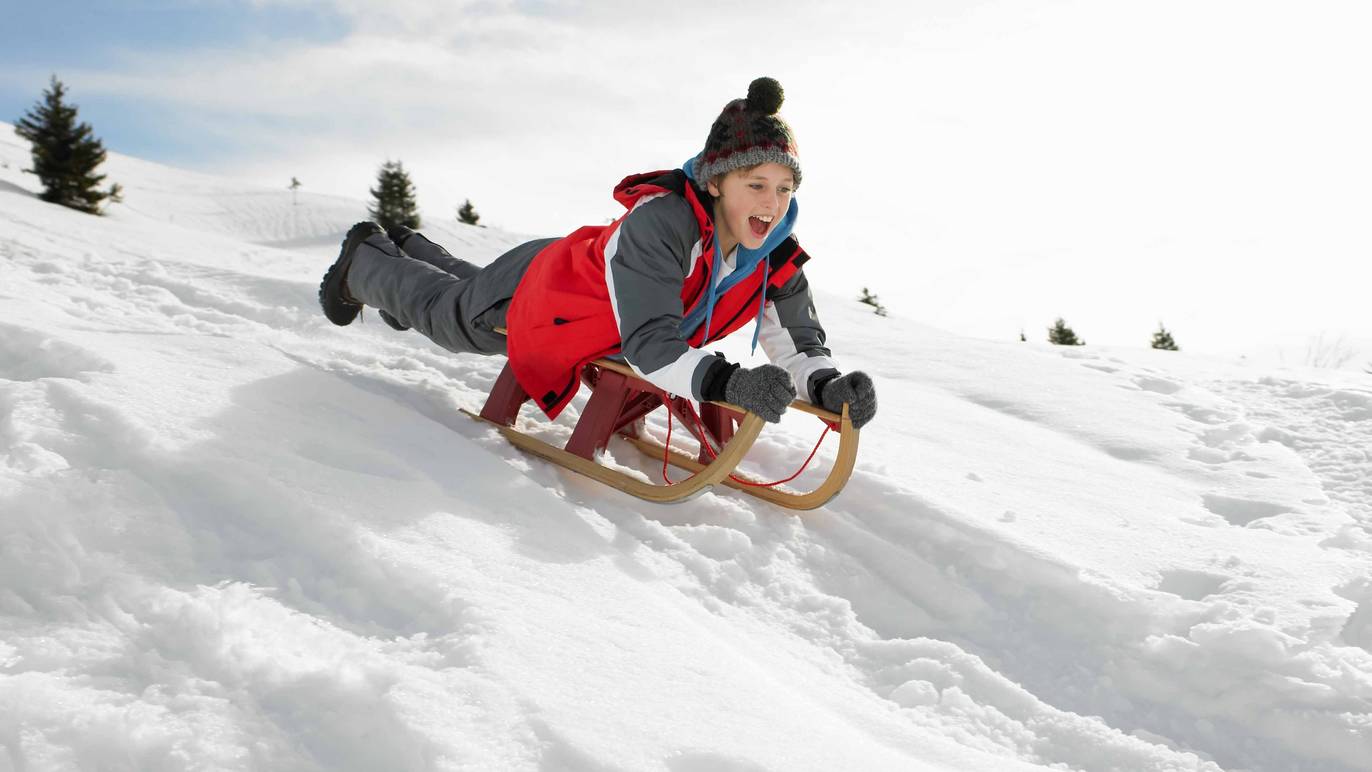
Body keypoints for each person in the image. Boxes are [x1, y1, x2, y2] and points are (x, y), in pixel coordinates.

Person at [319, 77, 876, 429]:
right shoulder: (663, 225)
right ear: (715, 182)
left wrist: (828, 386)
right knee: (451, 318)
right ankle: (364, 260)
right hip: (549, 290)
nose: (772, 204)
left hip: (592, 303)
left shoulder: (775, 256)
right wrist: (730, 384)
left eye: (784, 190)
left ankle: (411, 247)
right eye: (756, 184)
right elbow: (653, 347)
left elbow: (798, 340)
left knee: (464, 292)